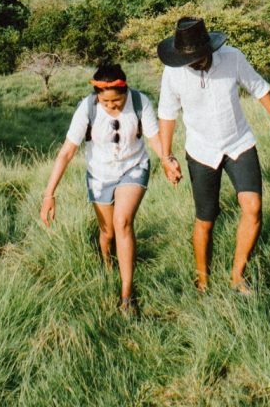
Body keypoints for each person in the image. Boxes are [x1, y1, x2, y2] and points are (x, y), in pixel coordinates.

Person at [156, 16, 270, 295]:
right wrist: (166, 156)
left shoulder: (232, 58)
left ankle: (237, 276)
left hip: (238, 142)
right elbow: (167, 114)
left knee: (253, 208)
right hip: (201, 151)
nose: (194, 63)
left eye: (198, 56)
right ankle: (203, 282)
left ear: (209, 48)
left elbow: (258, 87)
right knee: (206, 220)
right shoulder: (173, 72)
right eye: (188, 59)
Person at [40, 60, 176, 315]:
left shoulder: (139, 102)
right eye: (106, 103)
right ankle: (107, 263)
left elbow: (154, 138)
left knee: (122, 223)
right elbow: (67, 152)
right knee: (108, 233)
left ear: (125, 92)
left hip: (133, 167)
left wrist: (167, 161)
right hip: (99, 174)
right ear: (97, 98)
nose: (112, 107)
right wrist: (49, 194)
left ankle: (127, 295)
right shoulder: (87, 108)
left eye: (117, 102)